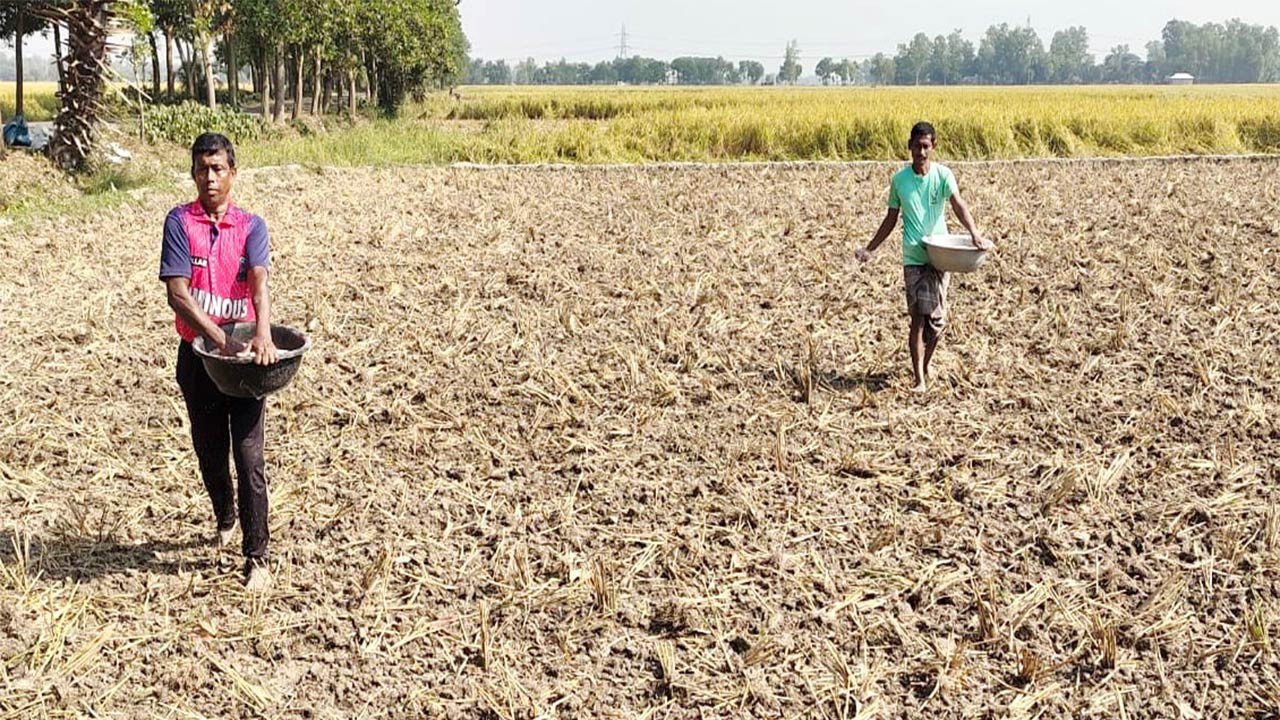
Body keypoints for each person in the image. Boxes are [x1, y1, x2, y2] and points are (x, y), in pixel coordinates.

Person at [159, 133, 279, 590]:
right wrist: (215, 339)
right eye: (202, 169)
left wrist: (261, 334)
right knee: (210, 452)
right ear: (193, 174)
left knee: (249, 457)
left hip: (243, 365)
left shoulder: (251, 226)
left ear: (233, 174)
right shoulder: (179, 223)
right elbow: (177, 294)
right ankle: (224, 514)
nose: (210, 178)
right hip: (199, 360)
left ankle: (258, 558)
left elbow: (259, 283)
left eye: (218, 169)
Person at [856, 121, 991, 392]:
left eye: (926, 146)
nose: (921, 152)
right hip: (914, 257)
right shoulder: (899, 181)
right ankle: (919, 379)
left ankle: (925, 364)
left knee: (937, 323)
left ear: (933, 147)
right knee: (918, 316)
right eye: (917, 146)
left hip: (940, 256)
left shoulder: (943, 176)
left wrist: (974, 233)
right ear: (909, 147)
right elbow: (891, 219)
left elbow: (958, 204)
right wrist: (870, 248)